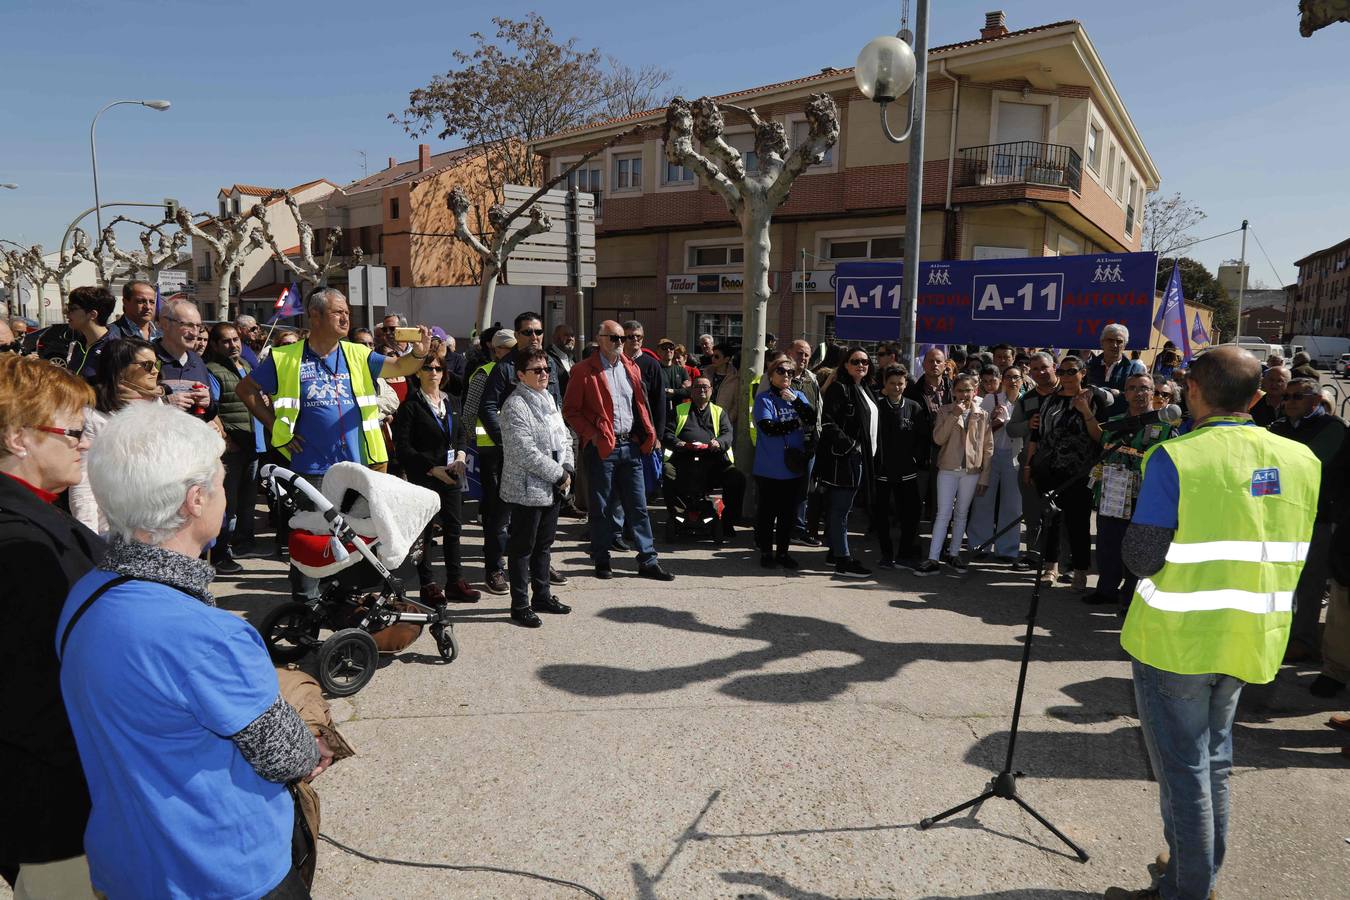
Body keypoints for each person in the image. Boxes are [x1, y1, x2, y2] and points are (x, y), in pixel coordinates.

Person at [58, 402, 327, 900]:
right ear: (195, 500)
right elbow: (290, 756)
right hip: (222, 872)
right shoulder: (207, 635)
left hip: (128, 864)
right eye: (222, 484)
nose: (227, 496)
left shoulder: (86, 591)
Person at [1106, 346, 1319, 900]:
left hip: (1177, 640)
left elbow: (1141, 557)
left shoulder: (1176, 457)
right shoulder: (1300, 459)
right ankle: (1191, 870)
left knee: (1183, 771)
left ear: (1192, 391)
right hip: (1252, 636)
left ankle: (1187, 889)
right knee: (1214, 760)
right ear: (1256, 398)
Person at [236, 287, 433, 602]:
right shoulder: (285, 357)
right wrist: (275, 424)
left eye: (347, 312)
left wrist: (419, 353)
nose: (346, 317)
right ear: (315, 315)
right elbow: (245, 389)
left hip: (355, 468)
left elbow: (400, 368)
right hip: (310, 468)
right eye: (338, 311)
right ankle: (306, 607)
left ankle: (341, 603)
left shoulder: (357, 353)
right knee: (311, 539)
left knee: (352, 540)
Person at [0, 355, 104, 899]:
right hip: (56, 810)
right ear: (20, 438)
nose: (83, 443)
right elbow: (33, 698)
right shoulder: (19, 547)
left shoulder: (39, 516)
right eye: (72, 432)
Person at [562, 320, 674, 582]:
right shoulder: (583, 370)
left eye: (622, 338)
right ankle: (601, 559)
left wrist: (647, 434)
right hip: (602, 447)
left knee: (638, 506)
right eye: (614, 338)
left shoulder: (630, 366)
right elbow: (570, 410)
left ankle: (648, 560)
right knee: (600, 507)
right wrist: (591, 434)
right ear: (600, 339)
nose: (620, 343)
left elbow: (641, 404)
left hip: (630, 446)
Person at [479, 313, 568, 592]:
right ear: (517, 335)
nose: (534, 337)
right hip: (508, 457)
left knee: (542, 531)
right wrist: (508, 443)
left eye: (538, 331)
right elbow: (487, 408)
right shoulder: (503, 368)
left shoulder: (549, 363)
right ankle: (495, 568)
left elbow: (557, 409)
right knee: (501, 517)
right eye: (527, 332)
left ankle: (540, 568)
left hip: (545, 462)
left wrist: (565, 459)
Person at [392, 350, 480, 604]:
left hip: (452, 474)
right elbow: (404, 448)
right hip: (426, 476)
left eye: (438, 369)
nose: (433, 373)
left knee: (453, 529)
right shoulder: (410, 406)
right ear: (418, 372)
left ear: (445, 373)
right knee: (426, 533)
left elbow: (461, 435)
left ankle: (455, 581)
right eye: (428, 368)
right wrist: (432, 469)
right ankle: (428, 584)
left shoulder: (452, 401)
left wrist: (461, 457)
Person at [1270, 377, 1348, 663]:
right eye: (1286, 396)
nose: (1288, 401)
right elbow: (1265, 471)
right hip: (1279, 516)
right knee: (1279, 581)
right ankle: (1280, 635)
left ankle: (1303, 641)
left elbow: (1305, 466)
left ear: (1315, 401)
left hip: (1318, 518)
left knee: (1309, 584)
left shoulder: (1333, 429)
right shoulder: (1277, 428)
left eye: (1296, 397)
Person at [1084, 373, 1177, 609]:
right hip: (1112, 494)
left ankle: (1131, 596)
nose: (1139, 393)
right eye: (1133, 388)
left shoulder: (1165, 427)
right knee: (1107, 545)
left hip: (1145, 498)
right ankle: (1106, 590)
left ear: (1153, 393)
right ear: (1125, 394)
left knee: (1137, 548)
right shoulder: (1114, 422)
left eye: (1145, 388)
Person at [499, 348, 574, 626]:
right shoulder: (515, 405)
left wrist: (567, 467)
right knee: (522, 549)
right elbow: (524, 452)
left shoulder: (549, 398)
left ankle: (542, 595)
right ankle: (520, 604)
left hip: (553, 486)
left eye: (546, 369)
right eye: (537, 370)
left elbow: (564, 435)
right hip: (527, 489)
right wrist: (559, 474)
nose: (544, 374)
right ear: (521, 375)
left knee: (544, 545)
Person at [1025, 355, 1110, 590]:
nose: (1066, 377)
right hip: (1048, 470)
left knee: (1078, 523)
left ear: (1083, 373)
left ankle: (1081, 571)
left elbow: (1101, 438)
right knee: (1050, 520)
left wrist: (1085, 411)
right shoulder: (1049, 401)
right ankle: (1050, 567)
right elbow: (1036, 435)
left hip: (1079, 472)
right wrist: (1029, 465)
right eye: (1062, 372)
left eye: (1072, 371)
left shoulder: (1094, 399)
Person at [70, 338, 165, 535]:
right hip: (114, 526)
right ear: (120, 369)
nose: (155, 370)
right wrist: (89, 535)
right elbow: (83, 481)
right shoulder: (93, 414)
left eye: (156, 364)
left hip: (156, 521)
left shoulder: (156, 402)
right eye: (147, 365)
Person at [915, 374, 993, 575]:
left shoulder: (982, 414)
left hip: (971, 471)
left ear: (974, 391)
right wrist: (954, 415)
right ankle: (933, 557)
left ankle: (954, 553)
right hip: (948, 469)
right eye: (960, 390)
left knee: (961, 514)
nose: (964, 394)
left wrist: (984, 476)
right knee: (943, 514)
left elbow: (987, 448)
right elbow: (938, 439)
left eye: (968, 390)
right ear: (953, 392)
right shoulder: (945, 410)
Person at [459, 329, 519, 595]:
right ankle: (494, 566)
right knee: (496, 513)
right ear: (495, 350)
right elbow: (471, 412)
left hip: (520, 452)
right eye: (506, 349)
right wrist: (469, 444)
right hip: (491, 453)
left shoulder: (523, 370)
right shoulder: (484, 373)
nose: (510, 353)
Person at [205, 323, 265, 572]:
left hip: (254, 444)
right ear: (216, 345)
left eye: (236, 340)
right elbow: (214, 409)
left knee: (247, 500)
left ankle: (243, 541)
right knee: (227, 504)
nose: (233, 345)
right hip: (233, 448)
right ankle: (222, 553)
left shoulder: (248, 366)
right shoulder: (214, 371)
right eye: (227, 341)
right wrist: (225, 438)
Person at [819, 347, 877, 578]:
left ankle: (834, 553)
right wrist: (851, 446)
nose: (861, 365)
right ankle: (843, 559)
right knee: (840, 510)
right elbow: (828, 422)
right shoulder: (840, 388)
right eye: (855, 361)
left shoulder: (864, 388)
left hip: (862, 459)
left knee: (842, 508)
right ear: (845, 364)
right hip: (845, 459)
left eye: (865, 361)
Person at [751, 359, 814, 568]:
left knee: (788, 514)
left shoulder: (799, 396)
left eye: (790, 371)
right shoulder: (763, 399)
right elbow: (769, 428)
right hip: (769, 467)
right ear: (771, 375)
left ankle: (783, 553)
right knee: (768, 513)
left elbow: (812, 418)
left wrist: (796, 402)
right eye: (781, 371)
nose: (786, 375)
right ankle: (767, 552)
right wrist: (796, 422)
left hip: (793, 468)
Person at [664, 376, 746, 536]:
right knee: (667, 472)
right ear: (691, 391)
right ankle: (676, 513)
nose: (702, 390)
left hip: (712, 462)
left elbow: (727, 435)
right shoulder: (679, 410)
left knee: (737, 479)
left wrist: (718, 443)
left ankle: (728, 521)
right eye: (697, 387)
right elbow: (667, 433)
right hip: (684, 461)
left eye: (705, 387)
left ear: (711, 391)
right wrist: (679, 443)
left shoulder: (719, 412)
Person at [1006, 352, 1060, 570]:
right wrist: (1028, 425)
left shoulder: (1068, 392)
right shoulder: (1026, 399)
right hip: (1031, 465)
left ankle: (1062, 562)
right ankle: (1033, 555)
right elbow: (1011, 428)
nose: (1040, 372)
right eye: (1035, 369)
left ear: (1054, 366)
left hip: (1062, 465)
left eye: (1044, 367)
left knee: (1060, 515)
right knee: (1032, 514)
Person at [968, 365, 1024, 563]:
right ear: (1002, 379)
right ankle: (979, 545)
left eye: (1016, 377)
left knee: (1012, 504)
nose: (1012, 381)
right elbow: (978, 430)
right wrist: (994, 419)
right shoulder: (991, 399)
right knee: (983, 500)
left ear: (1022, 379)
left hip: (1015, 456)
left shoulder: (1025, 401)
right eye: (1008, 376)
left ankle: (1007, 550)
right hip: (990, 456)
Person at [871, 364, 925, 568]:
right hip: (883, 471)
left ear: (906, 384)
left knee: (910, 514)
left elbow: (922, 438)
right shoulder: (876, 406)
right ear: (885, 383)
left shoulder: (914, 407)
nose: (896, 387)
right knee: (882, 515)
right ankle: (886, 554)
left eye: (900, 384)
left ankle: (904, 554)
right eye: (892, 383)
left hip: (907, 472)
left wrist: (915, 460)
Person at [904, 346, 953, 524]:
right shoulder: (912, 392)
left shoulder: (954, 390)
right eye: (930, 361)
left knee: (943, 504)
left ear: (945, 365)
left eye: (938, 361)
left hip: (948, 453)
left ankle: (939, 545)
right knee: (915, 501)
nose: (934, 364)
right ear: (923, 364)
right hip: (922, 454)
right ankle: (912, 543)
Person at [153, 298, 217, 422]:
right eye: (188, 325)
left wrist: (208, 403)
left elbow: (212, 411)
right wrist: (164, 402)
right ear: (165, 324)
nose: (195, 333)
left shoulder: (197, 361)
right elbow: (129, 404)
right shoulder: (146, 358)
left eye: (198, 326)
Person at [1086, 323, 1147, 417]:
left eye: (1119, 341)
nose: (1114, 345)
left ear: (1125, 345)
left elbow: (1139, 396)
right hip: (1090, 421)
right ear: (1102, 343)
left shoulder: (1134, 369)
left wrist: (1119, 394)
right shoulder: (1088, 366)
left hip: (1120, 424)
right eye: (1110, 340)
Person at [64, 286, 116, 380]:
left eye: (72, 308)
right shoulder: (79, 343)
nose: (67, 313)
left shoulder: (115, 348)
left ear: (92, 314)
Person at [708, 343, 742, 433]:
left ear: (726, 359)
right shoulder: (707, 373)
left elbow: (736, 403)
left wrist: (727, 420)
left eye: (717, 356)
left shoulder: (735, 378)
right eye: (712, 356)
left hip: (723, 422)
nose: (713, 359)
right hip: (705, 419)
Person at [548, 324, 576, 396]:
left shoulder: (572, 358)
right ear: (555, 338)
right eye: (566, 335)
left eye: (572, 335)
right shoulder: (547, 358)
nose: (570, 338)